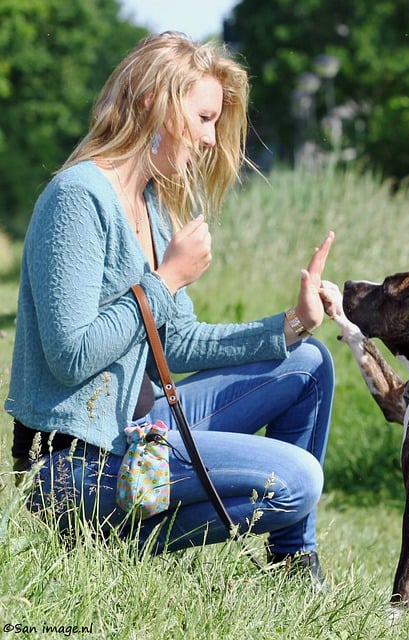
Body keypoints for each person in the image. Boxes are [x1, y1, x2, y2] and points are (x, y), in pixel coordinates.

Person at [6, 32, 340, 580]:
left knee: (309, 364)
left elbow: (178, 340)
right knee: (298, 479)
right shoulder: (77, 198)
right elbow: (70, 355)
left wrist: (292, 324)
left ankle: (293, 563)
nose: (210, 139)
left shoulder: (153, 205)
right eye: (204, 118)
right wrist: (165, 280)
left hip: (141, 432)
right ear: (154, 104)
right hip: (74, 463)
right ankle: (110, 542)